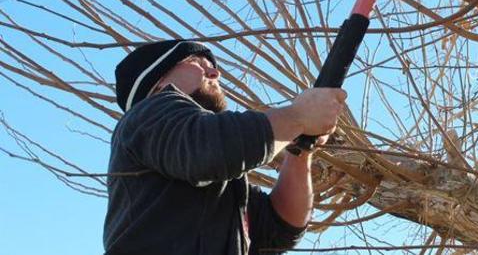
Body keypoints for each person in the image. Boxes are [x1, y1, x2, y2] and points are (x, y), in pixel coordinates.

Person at [103, 40, 345, 255]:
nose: (215, 72)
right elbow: (208, 148)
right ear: (159, 81)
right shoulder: (146, 115)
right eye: (197, 62)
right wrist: (297, 117)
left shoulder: (222, 177)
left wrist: (301, 149)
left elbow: (280, 228)